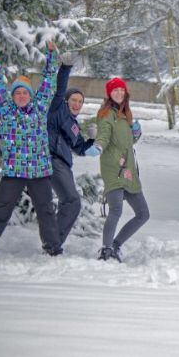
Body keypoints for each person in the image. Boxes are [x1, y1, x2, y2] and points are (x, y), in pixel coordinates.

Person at [0, 42, 62, 260]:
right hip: (13, 171)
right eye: (17, 93)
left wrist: (52, 54)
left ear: (31, 95)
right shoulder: (5, 109)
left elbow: (49, 80)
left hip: (38, 171)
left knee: (46, 211)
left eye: (25, 92)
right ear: (12, 96)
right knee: (0, 211)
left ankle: (53, 249)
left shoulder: (40, 107)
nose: (21, 96)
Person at [90, 77, 149, 261]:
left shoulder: (125, 114)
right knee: (116, 210)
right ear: (109, 94)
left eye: (121, 90)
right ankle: (106, 250)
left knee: (143, 214)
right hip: (113, 168)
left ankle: (115, 245)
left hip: (129, 169)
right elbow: (104, 135)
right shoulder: (106, 114)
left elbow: (128, 141)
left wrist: (136, 132)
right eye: (115, 90)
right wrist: (98, 145)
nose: (119, 93)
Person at [47, 54, 98, 248]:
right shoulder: (57, 110)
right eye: (74, 100)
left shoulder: (74, 125)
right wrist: (66, 67)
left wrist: (91, 140)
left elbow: (79, 148)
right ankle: (53, 244)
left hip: (64, 164)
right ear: (67, 101)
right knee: (72, 202)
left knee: (66, 203)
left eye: (80, 102)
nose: (77, 104)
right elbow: (60, 89)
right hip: (52, 159)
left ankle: (52, 242)